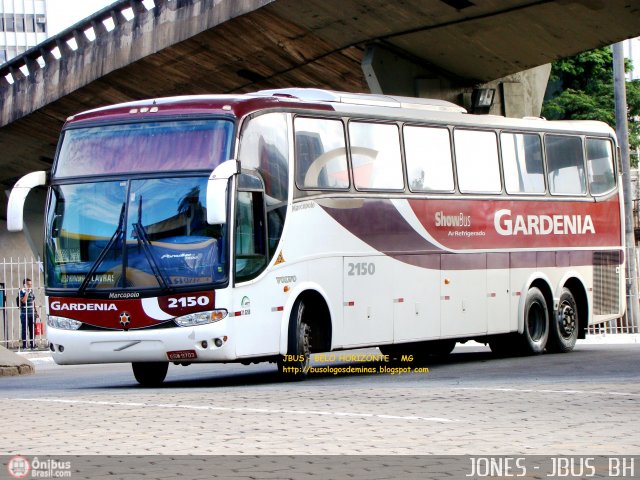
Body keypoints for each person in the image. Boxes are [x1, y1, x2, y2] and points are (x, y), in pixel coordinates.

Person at [19, 278, 38, 350]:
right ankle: (24, 346)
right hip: (24, 313)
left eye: (31, 284)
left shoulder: (32, 291)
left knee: (32, 329)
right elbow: (23, 301)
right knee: (24, 330)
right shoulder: (21, 292)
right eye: (28, 285)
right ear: (24, 285)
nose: (30, 286)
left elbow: (33, 301)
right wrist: (26, 292)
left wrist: (36, 311)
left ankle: (32, 345)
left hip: (32, 313)